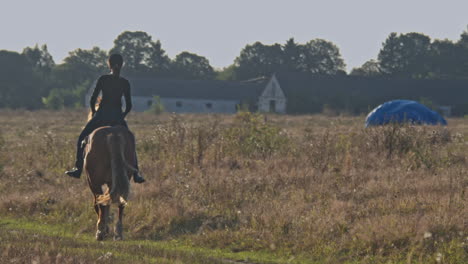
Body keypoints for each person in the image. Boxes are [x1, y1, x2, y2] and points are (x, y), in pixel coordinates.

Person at [65, 54, 145, 183]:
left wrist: (95, 112)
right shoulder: (125, 83)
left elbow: (92, 99)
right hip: (117, 118)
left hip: (101, 116)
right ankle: (136, 174)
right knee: (130, 142)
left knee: (82, 138)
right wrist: (121, 116)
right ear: (122, 65)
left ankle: (78, 169)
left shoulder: (103, 79)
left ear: (109, 64)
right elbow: (129, 105)